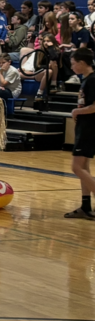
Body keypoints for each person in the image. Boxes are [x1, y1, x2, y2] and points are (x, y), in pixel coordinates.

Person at [67, 48, 95, 219]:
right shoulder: (86, 80)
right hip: (86, 127)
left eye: (73, 64)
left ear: (82, 63)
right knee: (84, 166)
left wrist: (77, 112)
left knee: (76, 167)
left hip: (89, 128)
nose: (72, 67)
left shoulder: (92, 80)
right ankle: (86, 206)